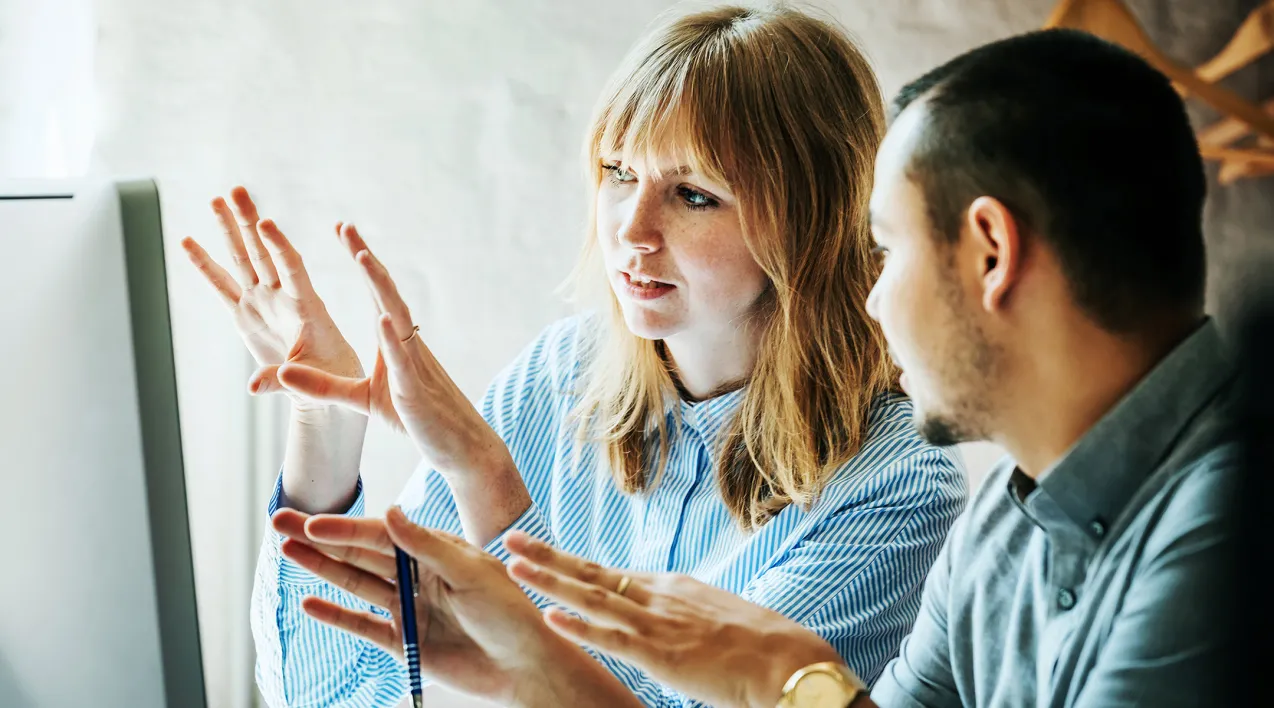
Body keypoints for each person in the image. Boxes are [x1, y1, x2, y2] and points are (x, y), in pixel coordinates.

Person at [283, 26, 1243, 708]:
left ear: (990, 253)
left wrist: (764, 680)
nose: (872, 297)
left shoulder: (1230, 529)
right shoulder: (1015, 514)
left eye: (889, 249)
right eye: (618, 174)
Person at [181, 5, 967, 707]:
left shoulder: (897, 481)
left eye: (694, 193)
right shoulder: (559, 375)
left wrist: (488, 484)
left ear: (811, 220)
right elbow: (334, 693)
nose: (631, 228)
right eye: (618, 173)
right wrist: (325, 422)